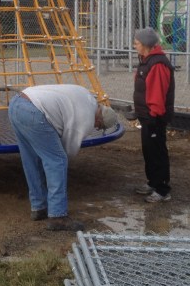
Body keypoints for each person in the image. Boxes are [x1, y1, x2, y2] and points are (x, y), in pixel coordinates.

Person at [7, 85, 119, 231]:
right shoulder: (87, 118)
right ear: (100, 118)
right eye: (99, 126)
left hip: (16, 104)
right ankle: (57, 216)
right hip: (34, 112)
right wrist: (58, 156)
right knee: (57, 161)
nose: (96, 128)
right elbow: (68, 148)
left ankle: (39, 207)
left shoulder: (88, 98)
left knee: (32, 159)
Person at [131, 27, 175, 203]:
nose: (134, 46)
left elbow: (157, 92)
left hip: (154, 117)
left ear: (145, 45)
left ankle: (162, 189)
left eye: (137, 43)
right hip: (147, 115)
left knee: (157, 151)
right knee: (149, 150)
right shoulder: (147, 61)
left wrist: (154, 115)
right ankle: (153, 182)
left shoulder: (157, 64)